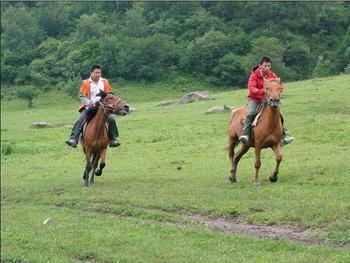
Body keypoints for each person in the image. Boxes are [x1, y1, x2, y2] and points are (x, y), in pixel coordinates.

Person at [239, 56, 293, 146]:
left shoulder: (273, 75)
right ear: (260, 66)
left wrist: (276, 91)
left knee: (278, 114)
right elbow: (251, 88)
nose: (267, 68)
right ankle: (245, 134)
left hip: (268, 100)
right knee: (251, 112)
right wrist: (263, 92)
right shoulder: (254, 75)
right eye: (265, 66)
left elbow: (280, 86)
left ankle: (283, 136)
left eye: (269, 66)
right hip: (255, 99)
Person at [65, 65, 121, 148]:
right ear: (91, 73)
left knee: (111, 119)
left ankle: (113, 139)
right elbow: (82, 95)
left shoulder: (105, 82)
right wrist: (88, 103)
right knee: (80, 119)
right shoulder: (85, 83)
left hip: (103, 107)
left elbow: (109, 94)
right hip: (90, 106)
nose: (98, 74)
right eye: (96, 73)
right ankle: (73, 139)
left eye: (99, 73)